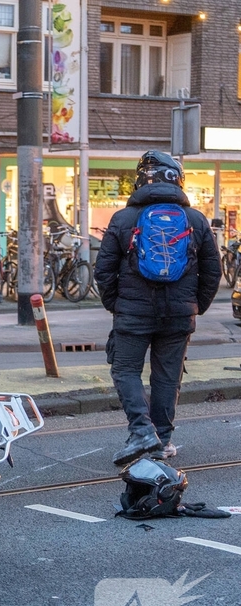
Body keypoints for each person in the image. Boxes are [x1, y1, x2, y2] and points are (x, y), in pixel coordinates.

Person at [93, 150, 220, 468]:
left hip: (133, 312)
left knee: (125, 370)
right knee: (167, 378)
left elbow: (103, 271)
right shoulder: (196, 220)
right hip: (179, 315)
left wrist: (116, 305)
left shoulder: (123, 219)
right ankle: (161, 441)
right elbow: (212, 271)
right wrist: (196, 307)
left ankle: (141, 431)